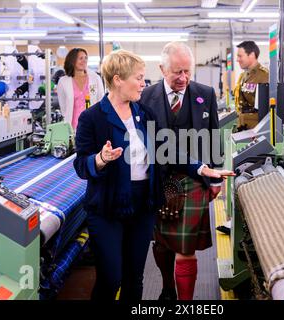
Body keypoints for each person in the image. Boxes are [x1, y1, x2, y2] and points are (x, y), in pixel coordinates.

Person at [73, 49, 233, 301]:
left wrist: (202, 169)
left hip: (143, 207)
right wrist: (100, 159)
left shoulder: (142, 114)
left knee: (134, 278)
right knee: (111, 277)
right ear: (117, 80)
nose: (142, 83)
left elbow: (166, 149)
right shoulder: (92, 118)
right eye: (137, 78)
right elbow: (81, 166)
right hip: (108, 206)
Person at [139, 42, 225, 300]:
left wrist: (217, 175)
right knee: (162, 243)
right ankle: (168, 289)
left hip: (195, 178)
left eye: (188, 71)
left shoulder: (205, 93)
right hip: (159, 179)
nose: (184, 78)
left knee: (186, 246)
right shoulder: (145, 96)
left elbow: (213, 134)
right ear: (162, 68)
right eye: (177, 72)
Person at [57, 48, 104, 130]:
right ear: (72, 60)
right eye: (81, 58)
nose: (84, 61)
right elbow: (63, 107)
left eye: (86, 58)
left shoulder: (95, 78)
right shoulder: (63, 81)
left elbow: (101, 101)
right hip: (73, 127)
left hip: (92, 125)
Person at [234, 41, 269, 130]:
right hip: (243, 124)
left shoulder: (264, 75)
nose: (237, 59)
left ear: (252, 55)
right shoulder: (243, 76)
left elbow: (267, 108)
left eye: (240, 56)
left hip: (256, 128)